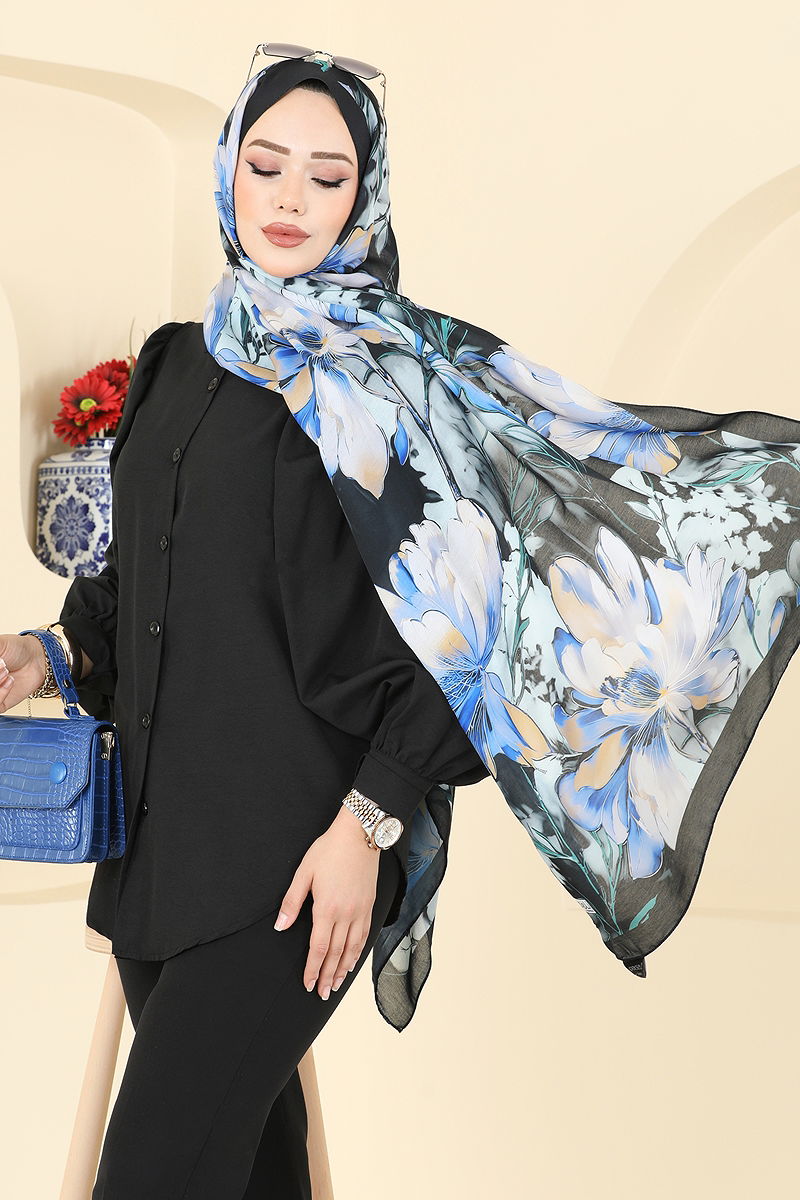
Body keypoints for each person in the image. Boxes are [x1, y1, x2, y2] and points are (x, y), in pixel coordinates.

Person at [0, 55, 489, 1198]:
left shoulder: (394, 384)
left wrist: (365, 828)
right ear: (226, 173)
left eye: (326, 176)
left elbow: (465, 634)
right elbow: (135, 591)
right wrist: (45, 653)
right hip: (155, 852)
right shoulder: (177, 361)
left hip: (298, 858)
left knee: (155, 1176)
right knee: (255, 1174)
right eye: (265, 166)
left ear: (363, 196)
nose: (288, 199)